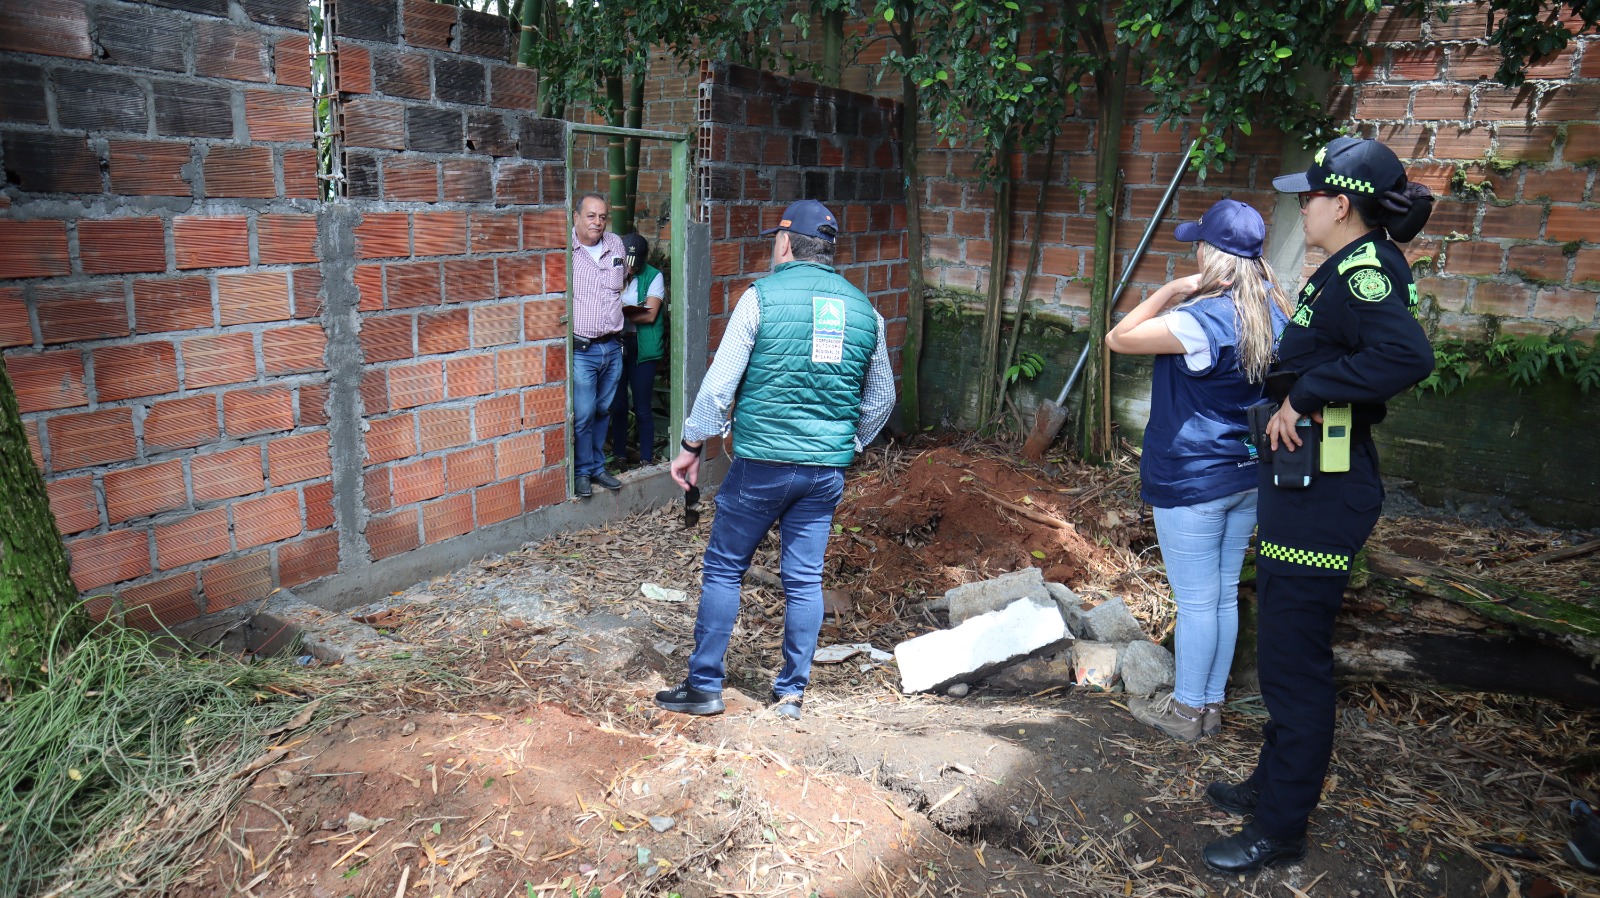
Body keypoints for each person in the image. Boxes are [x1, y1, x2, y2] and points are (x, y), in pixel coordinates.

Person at [1201, 137, 1436, 875]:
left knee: (1295, 666)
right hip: (1305, 481)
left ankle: (1281, 828)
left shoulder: (1366, 272)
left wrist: (1304, 394)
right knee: (1281, 650)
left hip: (1325, 490)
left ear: (1342, 204)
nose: (1301, 204)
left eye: (1310, 195)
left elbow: (1406, 357)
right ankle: (1271, 786)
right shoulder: (1339, 269)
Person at [654, 199, 896, 721]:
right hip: (824, 472)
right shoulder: (865, 310)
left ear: (785, 243)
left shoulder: (759, 297)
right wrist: (847, 445)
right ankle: (790, 695)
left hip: (761, 465)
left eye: (774, 240)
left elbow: (719, 387)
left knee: (723, 569)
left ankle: (703, 686)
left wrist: (692, 445)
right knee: (804, 580)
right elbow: (881, 399)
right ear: (827, 250)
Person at [1105, 199, 1292, 743]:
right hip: (1247, 474)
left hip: (1192, 479)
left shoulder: (1196, 320)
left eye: (1199, 245)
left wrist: (1168, 290)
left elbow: (1118, 339)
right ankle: (1208, 706)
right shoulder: (1276, 311)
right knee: (1223, 595)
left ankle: (1188, 712)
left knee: (1195, 602)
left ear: (1212, 255)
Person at [569, 193, 627, 499]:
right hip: (583, 349)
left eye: (603, 216)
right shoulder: (567, 250)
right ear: (576, 217)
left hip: (612, 346)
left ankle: (597, 468)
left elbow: (623, 281)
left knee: (604, 409)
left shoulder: (616, 244)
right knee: (584, 413)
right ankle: (581, 472)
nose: (598, 222)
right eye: (591, 216)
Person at [608, 233, 667, 467]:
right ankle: (620, 456)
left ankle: (645, 459)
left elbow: (650, 314)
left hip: (641, 346)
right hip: (617, 345)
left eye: (636, 264)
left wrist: (617, 311)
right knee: (619, 405)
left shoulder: (654, 276)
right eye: (627, 263)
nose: (631, 268)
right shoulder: (613, 270)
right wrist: (630, 310)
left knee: (642, 407)